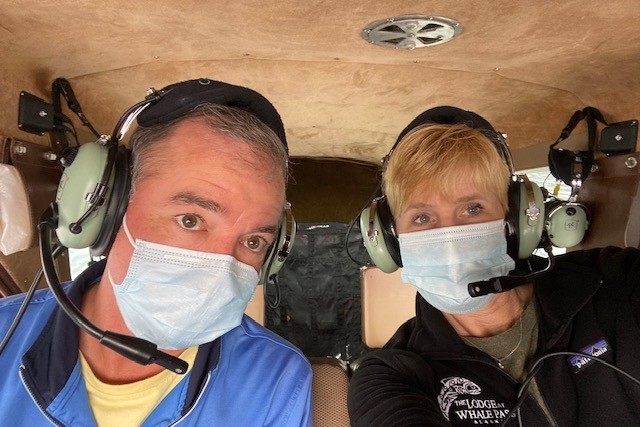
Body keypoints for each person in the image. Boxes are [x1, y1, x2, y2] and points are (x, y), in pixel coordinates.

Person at [0, 79, 312, 426]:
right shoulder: (4, 334)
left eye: (254, 242)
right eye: (191, 219)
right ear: (108, 211)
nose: (220, 268)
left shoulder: (275, 381)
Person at [348, 106, 640, 426]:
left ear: (515, 220)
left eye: (473, 209)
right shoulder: (390, 376)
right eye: (422, 217)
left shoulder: (616, 281)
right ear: (390, 241)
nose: (449, 237)